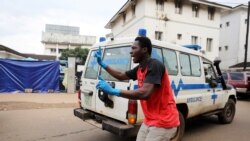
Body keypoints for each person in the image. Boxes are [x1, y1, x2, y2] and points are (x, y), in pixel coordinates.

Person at [95, 36, 180, 141]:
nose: (131, 52)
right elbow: (121, 75)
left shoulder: (155, 65)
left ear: (144, 49)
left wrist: (114, 91)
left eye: (134, 48)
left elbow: (145, 93)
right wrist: (103, 64)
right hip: (150, 119)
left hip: (164, 121)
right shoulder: (140, 68)